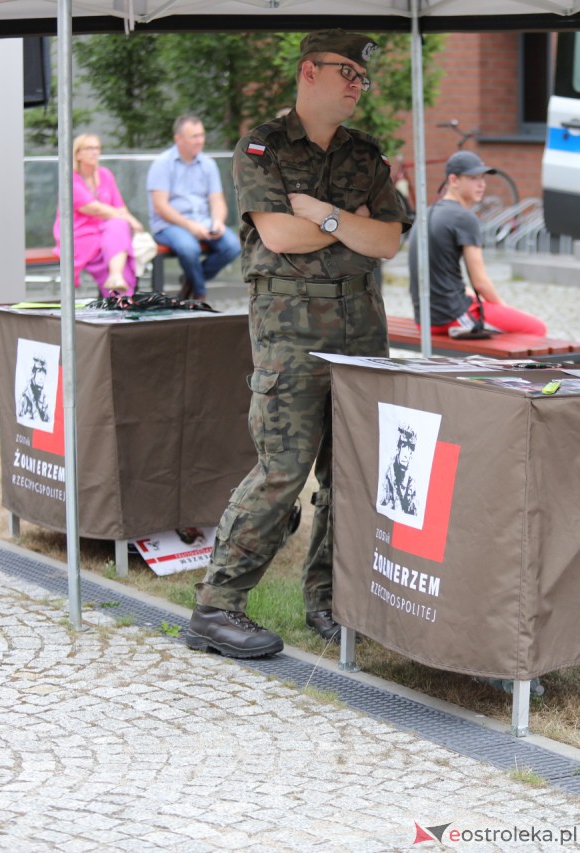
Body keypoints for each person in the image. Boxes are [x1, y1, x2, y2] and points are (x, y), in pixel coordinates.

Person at [184, 30, 411, 658]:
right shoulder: (262, 146)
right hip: (291, 335)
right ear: (310, 72)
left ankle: (330, 602)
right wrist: (345, 226)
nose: (357, 86)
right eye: (347, 73)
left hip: (362, 334)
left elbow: (388, 240)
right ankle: (217, 605)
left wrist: (326, 215)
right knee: (282, 471)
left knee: (352, 476)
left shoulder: (365, 153)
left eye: (363, 79)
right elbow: (280, 233)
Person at [408, 151, 547, 337]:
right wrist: (503, 309)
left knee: (472, 297)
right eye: (473, 178)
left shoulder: (427, 213)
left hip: (424, 319)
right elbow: (480, 282)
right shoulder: (464, 218)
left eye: (483, 178)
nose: (481, 184)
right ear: (454, 180)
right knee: (536, 328)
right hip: (450, 318)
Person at [147, 115, 242, 302]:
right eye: (194, 136)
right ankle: (199, 294)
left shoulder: (208, 164)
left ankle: (191, 280)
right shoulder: (162, 163)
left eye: (202, 135)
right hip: (169, 225)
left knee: (233, 246)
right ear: (178, 139)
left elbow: (217, 201)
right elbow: (160, 206)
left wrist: (218, 222)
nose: (200, 140)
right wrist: (190, 226)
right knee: (189, 249)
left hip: (203, 222)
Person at [53, 133, 146, 297]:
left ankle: (116, 279)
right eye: (89, 148)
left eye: (97, 148)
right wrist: (127, 219)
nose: (95, 152)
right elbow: (94, 209)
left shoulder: (105, 174)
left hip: (105, 230)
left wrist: (131, 221)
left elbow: (119, 205)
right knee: (116, 240)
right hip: (79, 233)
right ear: (78, 154)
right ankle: (120, 298)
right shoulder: (70, 179)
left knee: (118, 227)